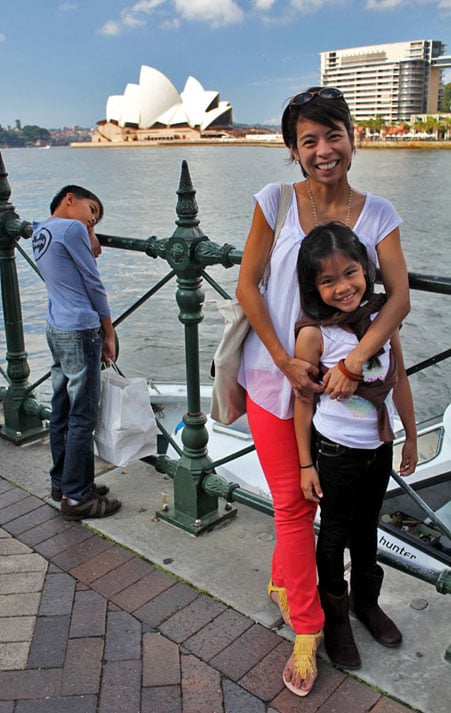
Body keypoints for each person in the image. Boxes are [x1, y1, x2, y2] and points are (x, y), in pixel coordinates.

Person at [235, 87, 410, 696]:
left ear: (352, 136)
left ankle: (341, 601)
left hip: (341, 389)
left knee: (348, 517)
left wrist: (358, 360)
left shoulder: (378, 212)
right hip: (272, 377)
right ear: (293, 151)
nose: (323, 150)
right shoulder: (275, 201)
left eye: (333, 134)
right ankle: (310, 629)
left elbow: (398, 300)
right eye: (308, 140)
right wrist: (284, 361)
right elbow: (248, 290)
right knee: (293, 506)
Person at [294, 221, 417, 669]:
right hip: (335, 452)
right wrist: (306, 464)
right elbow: (302, 404)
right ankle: (336, 620)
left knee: (368, 530)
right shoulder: (316, 334)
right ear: (313, 286)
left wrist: (410, 436)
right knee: (334, 534)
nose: (343, 287)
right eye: (327, 280)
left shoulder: (380, 323)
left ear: (367, 268)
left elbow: (399, 379)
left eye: (351, 273)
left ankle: (367, 602)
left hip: (379, 447)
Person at [32, 185, 122, 521]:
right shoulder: (71, 228)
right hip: (81, 329)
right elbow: (92, 280)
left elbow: (79, 256)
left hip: (56, 326)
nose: (92, 220)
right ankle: (77, 497)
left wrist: (89, 231)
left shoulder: (40, 231)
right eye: (92, 211)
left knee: (61, 410)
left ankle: (64, 482)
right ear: (70, 199)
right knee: (83, 415)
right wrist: (109, 332)